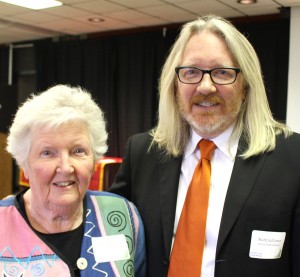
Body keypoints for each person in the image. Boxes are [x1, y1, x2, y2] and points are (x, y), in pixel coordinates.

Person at [109, 14, 300, 277]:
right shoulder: (143, 153)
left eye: (222, 72)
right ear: (174, 85)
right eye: (191, 72)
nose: (206, 86)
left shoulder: (292, 158)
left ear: (245, 85)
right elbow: (108, 232)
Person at [0, 84, 146, 277]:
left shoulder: (123, 215)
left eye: (78, 151)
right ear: (24, 164)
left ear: (94, 159)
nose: (66, 167)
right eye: (47, 153)